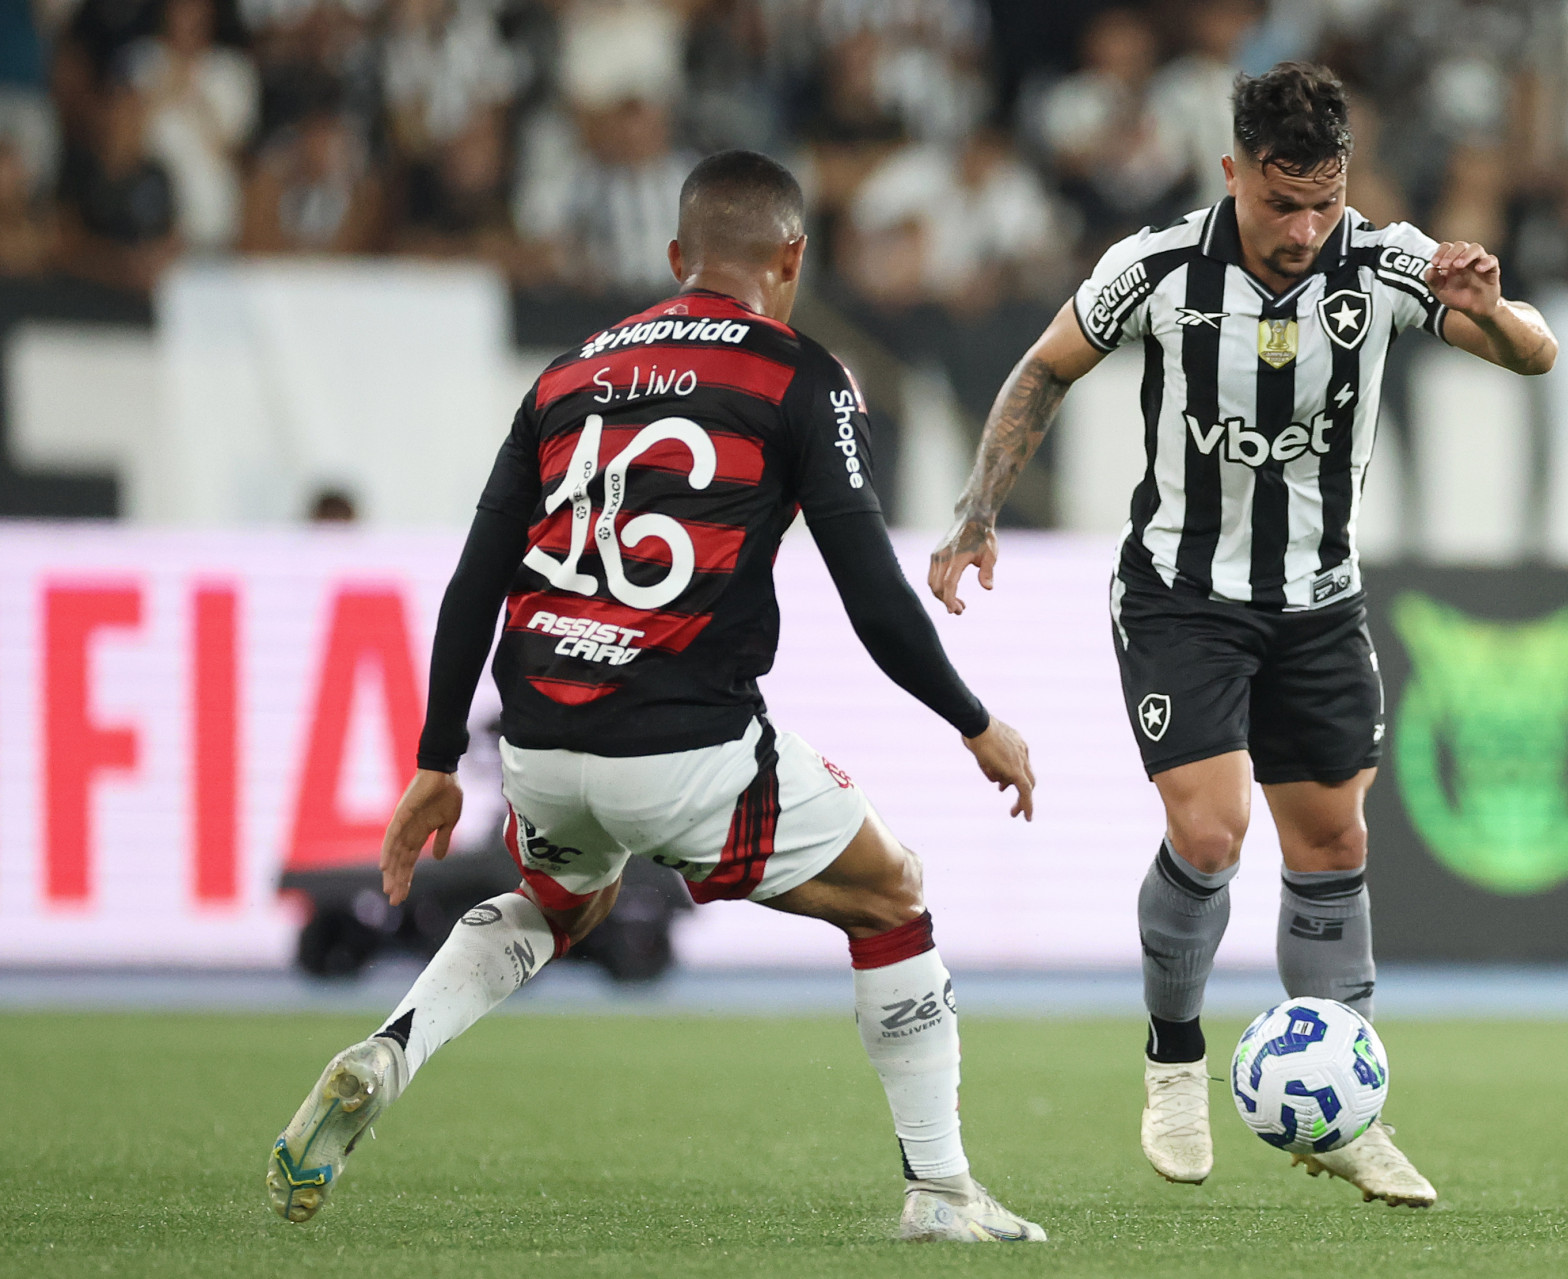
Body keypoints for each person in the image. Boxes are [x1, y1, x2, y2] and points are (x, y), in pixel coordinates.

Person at [267, 149, 1047, 1245]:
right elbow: (872, 592)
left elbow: (475, 581)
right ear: (793, 258)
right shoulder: (802, 376)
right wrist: (975, 720)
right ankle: (943, 1189)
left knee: (560, 902)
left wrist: (437, 761)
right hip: (684, 742)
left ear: (678, 254)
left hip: (540, 735)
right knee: (892, 894)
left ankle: (391, 1048)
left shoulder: (565, 376)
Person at [927, 63, 1557, 1207]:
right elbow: (1046, 366)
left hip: (1319, 603)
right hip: (1184, 596)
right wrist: (978, 510)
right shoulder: (1159, 267)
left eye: (1325, 202)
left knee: (1332, 842)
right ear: (1233, 174)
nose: (1305, 230)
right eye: (1281, 203)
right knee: (1211, 833)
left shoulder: (1388, 263)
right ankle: (1174, 1065)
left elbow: (1534, 355)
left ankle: (1348, 1114)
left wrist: (1492, 308)